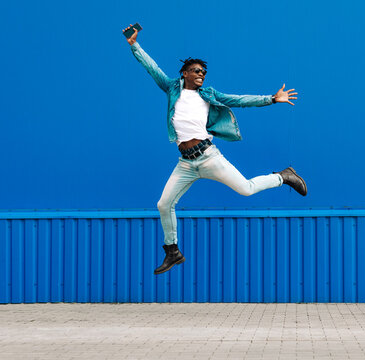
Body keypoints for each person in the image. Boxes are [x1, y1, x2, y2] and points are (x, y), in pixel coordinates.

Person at [122, 24, 307, 275]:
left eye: (204, 72)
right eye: (197, 70)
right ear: (184, 72)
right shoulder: (171, 88)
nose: (201, 74)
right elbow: (152, 68)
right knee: (164, 204)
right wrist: (135, 45)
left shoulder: (208, 94)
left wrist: (271, 99)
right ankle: (172, 251)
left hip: (209, 157)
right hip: (185, 164)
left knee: (246, 189)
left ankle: (283, 176)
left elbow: (239, 100)